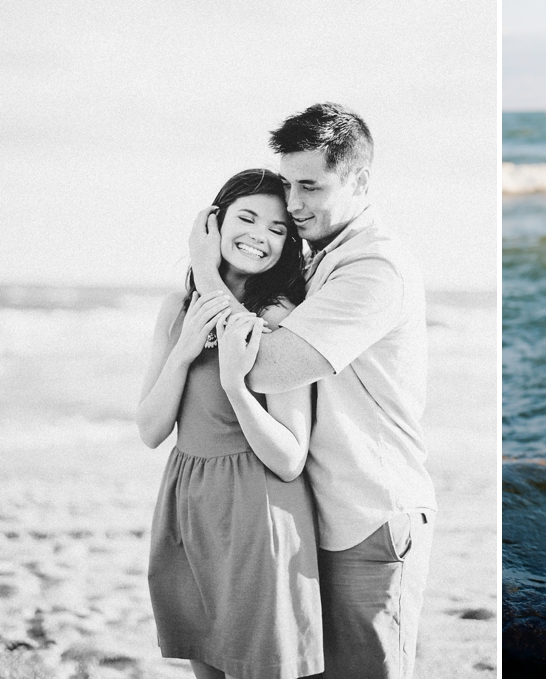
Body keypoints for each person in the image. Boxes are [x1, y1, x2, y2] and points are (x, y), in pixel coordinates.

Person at [187, 103, 437, 679]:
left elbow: (269, 368)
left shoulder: (375, 268)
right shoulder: (318, 257)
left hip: (369, 514)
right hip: (313, 517)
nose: (294, 204)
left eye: (310, 187)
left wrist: (205, 273)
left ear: (360, 180)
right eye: (288, 185)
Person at [137, 169, 322, 678]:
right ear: (213, 221)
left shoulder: (279, 316)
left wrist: (237, 388)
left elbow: (289, 459)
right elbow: (150, 430)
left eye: (278, 228)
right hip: (185, 504)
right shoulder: (176, 309)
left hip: (254, 507)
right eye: (246, 218)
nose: (260, 236)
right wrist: (182, 355)